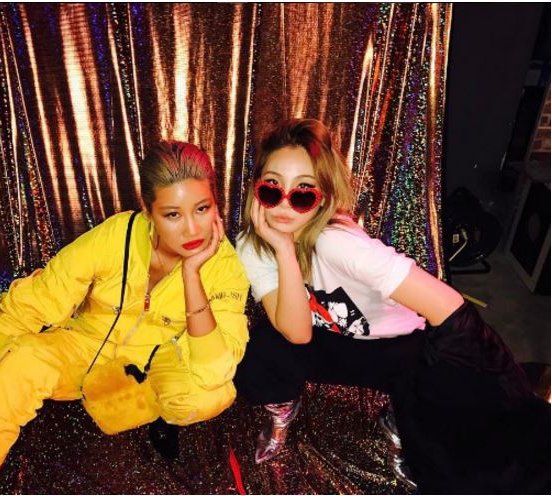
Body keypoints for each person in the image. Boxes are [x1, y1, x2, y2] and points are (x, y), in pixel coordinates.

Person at [233, 118, 550, 493]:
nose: (284, 204)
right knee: (259, 353)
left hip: (396, 347)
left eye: (303, 192)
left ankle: (401, 417)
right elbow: (297, 333)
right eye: (272, 188)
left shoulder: (338, 244)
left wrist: (497, 384)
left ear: (324, 197)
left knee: (453, 457)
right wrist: (285, 250)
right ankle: (283, 405)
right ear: (256, 189)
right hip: (326, 336)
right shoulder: (253, 244)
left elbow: (448, 306)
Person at [0, 141, 250, 471]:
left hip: (155, 365)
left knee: (209, 394)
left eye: (202, 209)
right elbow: (25, 308)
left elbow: (214, 371)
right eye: (172, 214)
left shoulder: (224, 266)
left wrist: (192, 275)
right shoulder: (117, 236)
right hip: (87, 348)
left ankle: (143, 410)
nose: (192, 230)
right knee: (21, 358)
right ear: (147, 210)